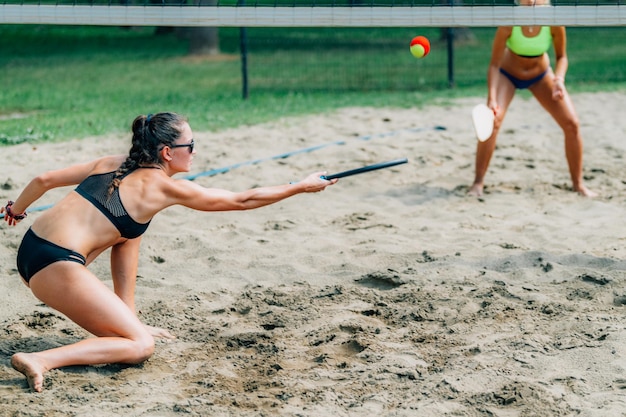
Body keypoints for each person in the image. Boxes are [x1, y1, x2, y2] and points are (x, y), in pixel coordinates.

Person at [1, 112, 337, 392]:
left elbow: (44, 179)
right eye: (190, 145)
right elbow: (241, 200)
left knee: (130, 232)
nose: (194, 151)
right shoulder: (164, 188)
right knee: (138, 347)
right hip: (56, 266)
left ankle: (129, 319)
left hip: (31, 251)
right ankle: (42, 359)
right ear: (166, 152)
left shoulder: (111, 163)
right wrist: (301, 186)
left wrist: (16, 209)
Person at [468, 0, 595, 197]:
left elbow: (562, 57)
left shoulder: (553, 20)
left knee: (572, 124)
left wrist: (559, 80)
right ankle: (478, 183)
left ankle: (578, 185)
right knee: (492, 123)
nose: (531, 1)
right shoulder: (509, 21)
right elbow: (494, 64)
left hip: (541, 75)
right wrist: (491, 98)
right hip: (508, 74)